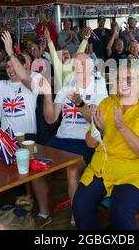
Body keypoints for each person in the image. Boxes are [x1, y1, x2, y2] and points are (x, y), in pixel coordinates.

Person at [73, 62, 139, 229]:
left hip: (136, 170)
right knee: (80, 206)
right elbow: (90, 142)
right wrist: (100, 131)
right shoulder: (107, 103)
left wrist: (122, 127)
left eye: (129, 79)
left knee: (120, 213)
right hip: (102, 167)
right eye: (120, 78)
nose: (123, 83)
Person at [0, 31, 51, 228]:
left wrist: (10, 51)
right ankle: (23, 210)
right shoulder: (2, 85)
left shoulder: (34, 80)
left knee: (35, 177)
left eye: (14, 66)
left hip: (27, 138)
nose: (11, 69)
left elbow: (25, 78)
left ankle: (45, 213)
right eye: (8, 66)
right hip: (6, 139)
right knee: (16, 179)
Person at [39, 52, 108, 226]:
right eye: (76, 64)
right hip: (61, 139)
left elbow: (97, 122)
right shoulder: (68, 84)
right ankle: (44, 212)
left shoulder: (98, 86)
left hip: (84, 141)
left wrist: (80, 103)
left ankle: (78, 213)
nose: (79, 67)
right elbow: (51, 118)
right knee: (36, 165)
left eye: (83, 64)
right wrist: (47, 95)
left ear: (92, 68)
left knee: (72, 170)